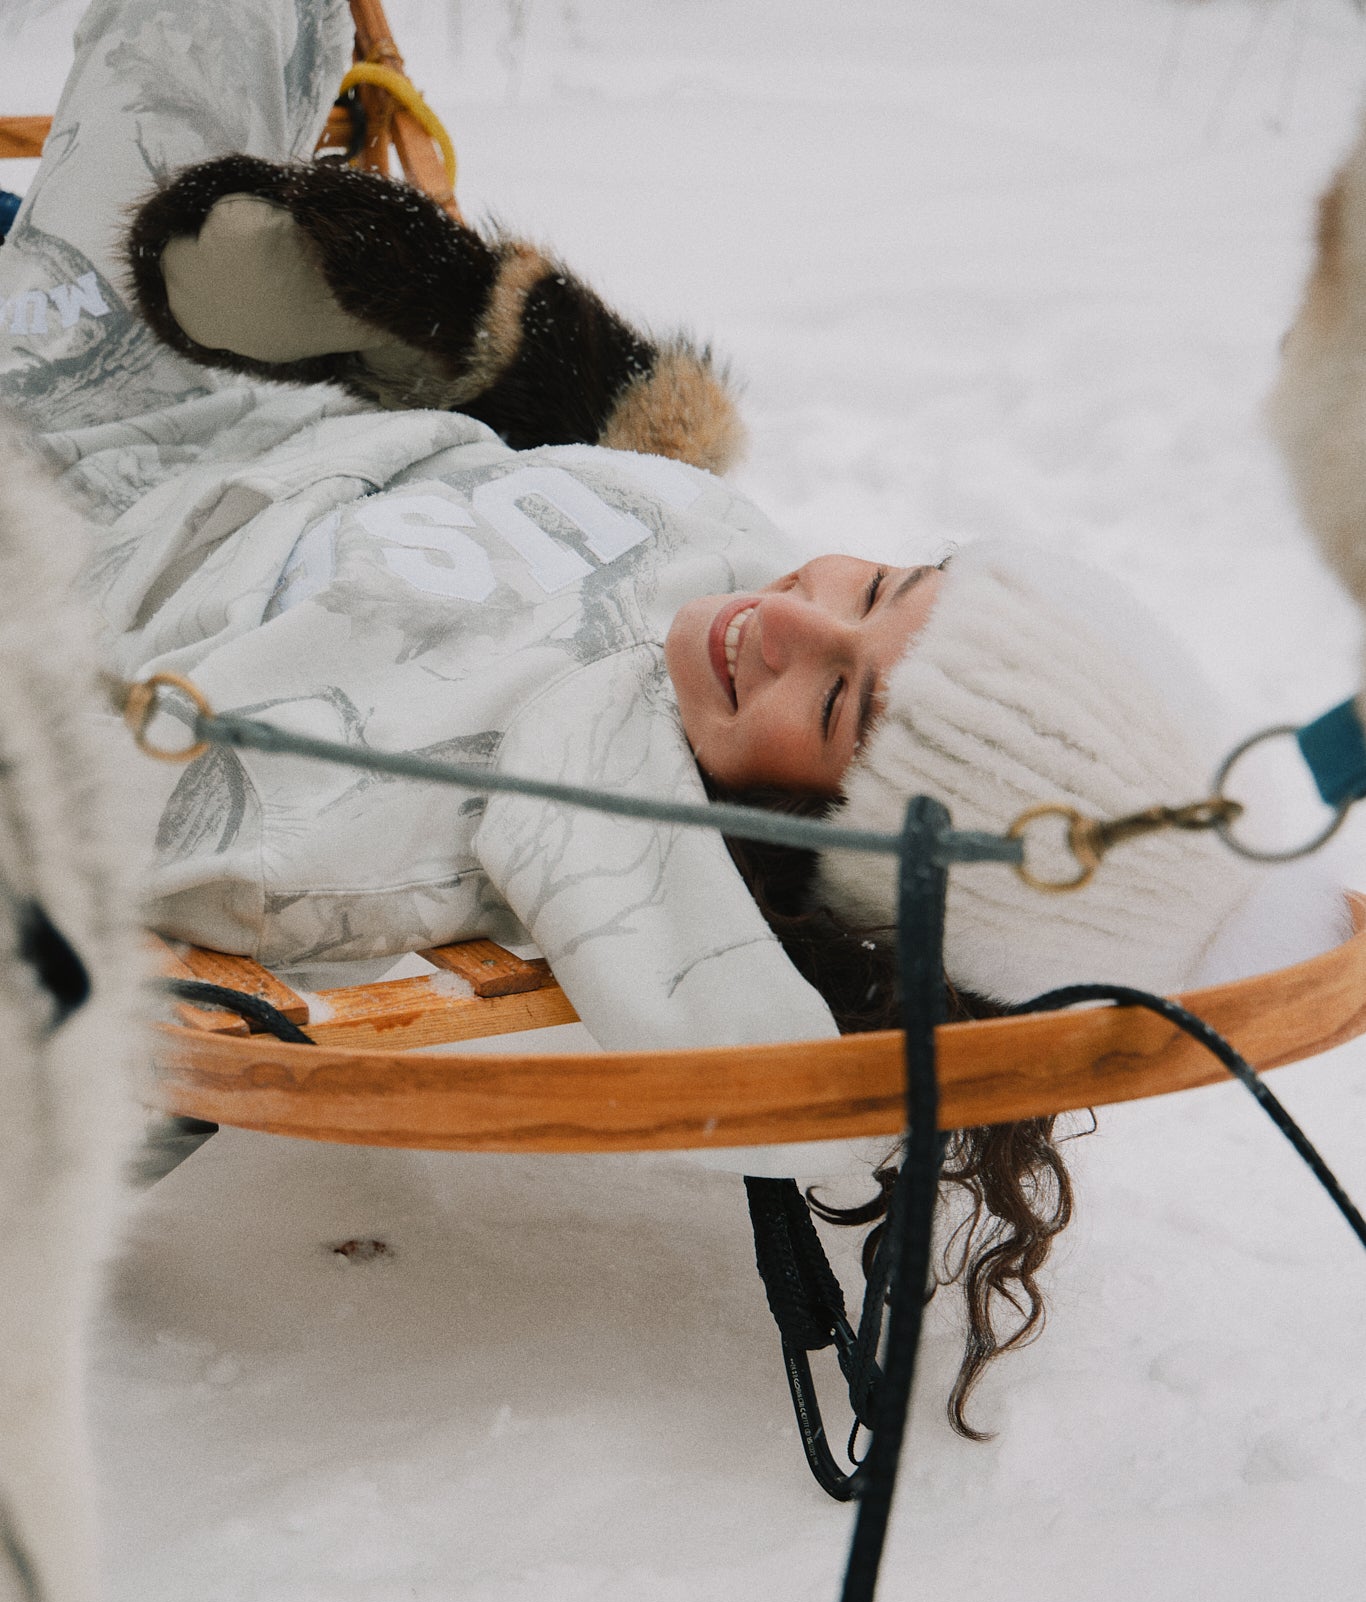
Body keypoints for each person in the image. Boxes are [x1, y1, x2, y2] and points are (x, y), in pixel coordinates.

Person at [2, 0, 1343, 1428]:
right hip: (221, 385)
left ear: (806, 841)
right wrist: (433, 315)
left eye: (834, 699)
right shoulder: (725, 554)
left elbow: (116, 835)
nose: (795, 614)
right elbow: (603, 422)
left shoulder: (475, 807)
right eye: (880, 582)